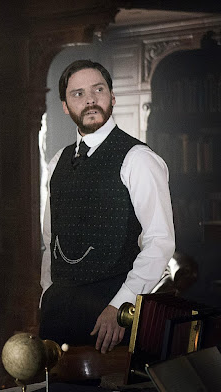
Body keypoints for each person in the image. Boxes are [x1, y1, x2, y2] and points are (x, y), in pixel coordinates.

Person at [39, 60, 175, 354]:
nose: (90, 100)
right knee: (51, 385)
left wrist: (120, 306)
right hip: (58, 312)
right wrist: (47, 295)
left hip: (111, 314)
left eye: (98, 90)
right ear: (65, 106)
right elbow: (50, 240)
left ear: (112, 97)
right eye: (78, 94)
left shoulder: (138, 159)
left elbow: (160, 242)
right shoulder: (57, 162)